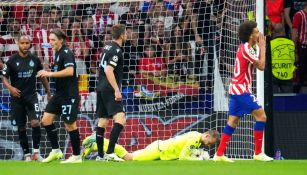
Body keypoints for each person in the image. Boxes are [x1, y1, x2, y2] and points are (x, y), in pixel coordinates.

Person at [213, 21, 274, 162]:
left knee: (233, 121)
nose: (259, 34)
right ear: (251, 35)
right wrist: (263, 47)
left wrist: (259, 48)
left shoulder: (248, 48)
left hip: (235, 88)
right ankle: (258, 153)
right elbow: (262, 66)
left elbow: (257, 63)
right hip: (241, 90)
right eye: (256, 32)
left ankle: (219, 154)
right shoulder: (246, 48)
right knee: (262, 116)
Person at [2, 35, 51, 161]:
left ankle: (36, 152)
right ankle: (27, 154)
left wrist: (48, 91)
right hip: (17, 99)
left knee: (35, 122)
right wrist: (10, 88)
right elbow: (4, 77)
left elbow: (42, 76)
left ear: (30, 44)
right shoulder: (12, 60)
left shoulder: (35, 60)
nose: (25, 45)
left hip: (32, 97)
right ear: (18, 43)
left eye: (27, 43)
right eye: (22, 43)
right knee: (21, 127)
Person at [37, 29, 81, 163]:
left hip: (69, 94)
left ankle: (77, 156)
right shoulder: (57, 53)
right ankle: (56, 151)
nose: (51, 42)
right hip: (59, 94)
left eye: (53, 40)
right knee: (45, 120)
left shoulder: (66, 52)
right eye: (50, 40)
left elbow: (69, 71)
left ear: (61, 40)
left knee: (70, 125)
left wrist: (49, 74)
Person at [95, 24, 127, 161]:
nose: (127, 34)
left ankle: (101, 156)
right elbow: (109, 70)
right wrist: (116, 90)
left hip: (101, 87)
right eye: (126, 32)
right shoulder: (116, 50)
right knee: (120, 118)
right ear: (122, 35)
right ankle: (110, 152)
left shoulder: (107, 47)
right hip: (109, 88)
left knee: (102, 121)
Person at [81, 130, 220, 161]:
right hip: (159, 150)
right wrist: (199, 159)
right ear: (207, 136)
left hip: (161, 148)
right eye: (209, 142)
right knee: (129, 158)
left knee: (130, 157)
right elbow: (183, 157)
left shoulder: (196, 135)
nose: (208, 145)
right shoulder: (195, 139)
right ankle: (97, 141)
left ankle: (95, 146)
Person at [292, 1, 307, 93]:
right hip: (302, 46)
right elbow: (294, 31)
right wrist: (294, 49)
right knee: (302, 67)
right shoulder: (299, 15)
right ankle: (299, 87)